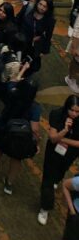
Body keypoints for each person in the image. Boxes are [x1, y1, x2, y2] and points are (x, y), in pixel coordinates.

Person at [37, 94, 79, 224]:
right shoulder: (56, 114)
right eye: (71, 110)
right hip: (54, 152)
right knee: (48, 179)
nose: (74, 113)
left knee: (60, 172)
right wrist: (65, 130)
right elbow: (53, 138)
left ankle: (56, 180)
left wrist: (63, 140)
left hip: (70, 153)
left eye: (77, 111)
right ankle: (45, 207)